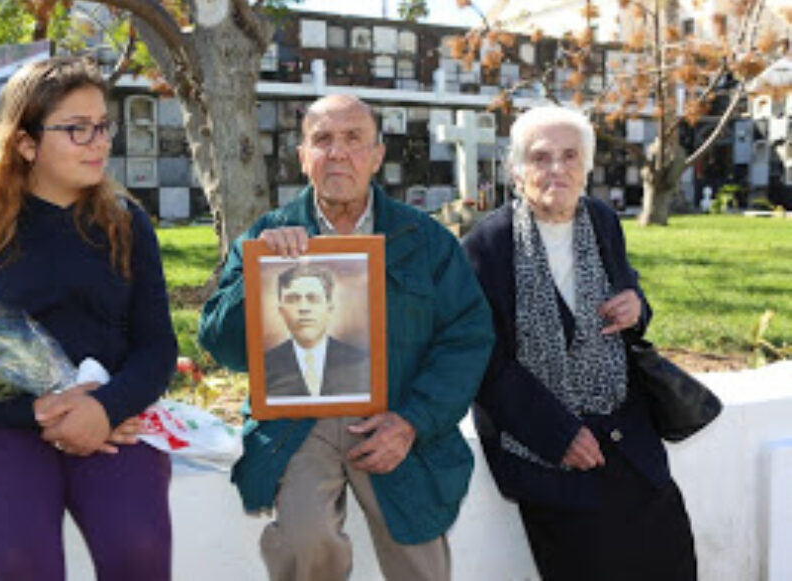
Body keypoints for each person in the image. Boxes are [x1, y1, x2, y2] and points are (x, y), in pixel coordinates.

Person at [199, 94, 495, 581]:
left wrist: (411, 421)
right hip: (300, 422)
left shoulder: (425, 240)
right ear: (303, 157)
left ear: (377, 155)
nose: (338, 152)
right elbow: (223, 347)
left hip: (394, 412)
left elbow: (466, 338)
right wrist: (261, 273)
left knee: (419, 554)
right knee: (304, 538)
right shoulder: (268, 234)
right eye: (323, 140)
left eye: (353, 139)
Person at [0, 56, 177, 581]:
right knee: (22, 564)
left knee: (138, 551)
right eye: (77, 129)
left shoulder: (126, 223)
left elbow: (156, 348)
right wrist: (42, 413)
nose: (99, 142)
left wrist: (105, 408)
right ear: (25, 143)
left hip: (110, 417)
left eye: (102, 125)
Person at [463, 105, 696, 581]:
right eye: (541, 157)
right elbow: (485, 362)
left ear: (586, 166)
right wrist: (558, 435)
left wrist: (637, 308)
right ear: (516, 170)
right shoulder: (488, 244)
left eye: (570, 156)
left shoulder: (602, 221)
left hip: (628, 437)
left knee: (671, 559)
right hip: (547, 448)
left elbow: (630, 297)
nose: (556, 169)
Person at [265, 263, 369, 398]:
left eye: (313, 298)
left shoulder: (360, 363)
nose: (303, 308)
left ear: (329, 307)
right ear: (281, 310)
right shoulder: (265, 363)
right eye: (293, 299)